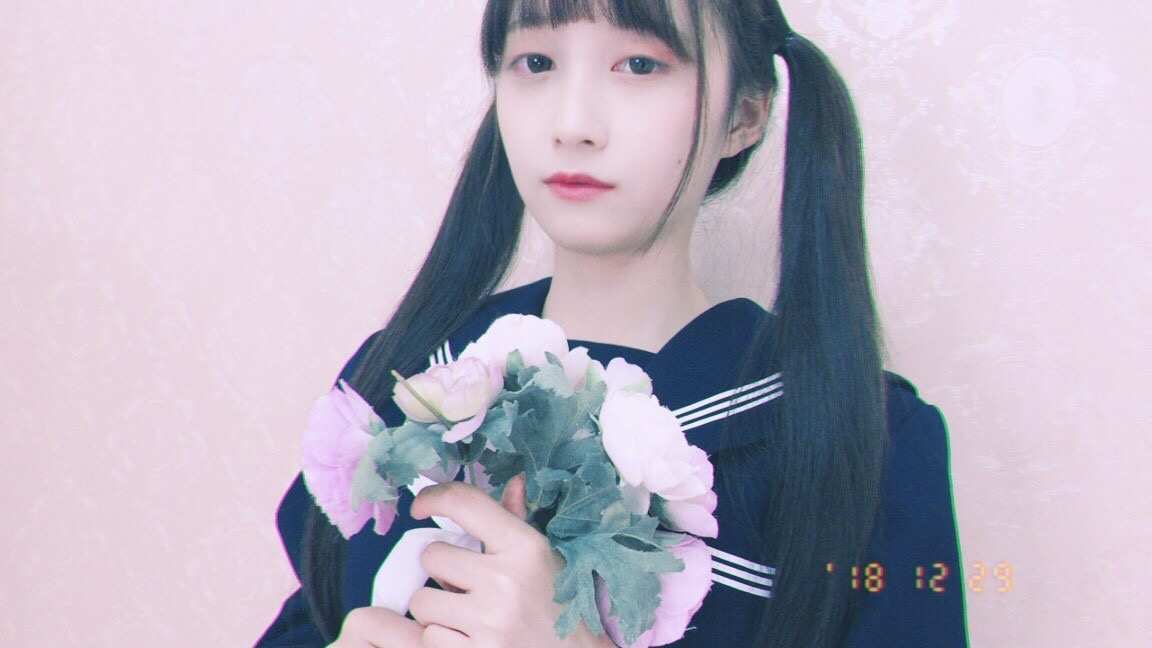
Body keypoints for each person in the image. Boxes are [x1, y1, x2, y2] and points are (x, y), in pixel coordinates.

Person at [256, 1, 969, 646]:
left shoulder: (862, 439)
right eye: (536, 61)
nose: (571, 125)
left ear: (745, 115)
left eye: (639, 64)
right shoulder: (407, 378)